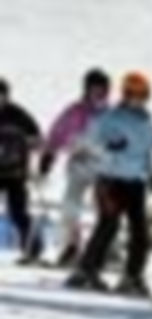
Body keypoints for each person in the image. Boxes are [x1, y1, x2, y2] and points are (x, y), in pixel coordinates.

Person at [66, 71, 152, 296]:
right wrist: (108, 149)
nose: (138, 99)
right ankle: (86, 271)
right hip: (110, 181)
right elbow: (87, 144)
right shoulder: (109, 118)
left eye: (142, 95)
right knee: (109, 224)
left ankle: (132, 276)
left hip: (135, 183)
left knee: (141, 231)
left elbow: (148, 152)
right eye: (134, 94)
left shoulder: (148, 123)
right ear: (125, 94)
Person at [39, 68, 111, 267]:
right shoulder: (75, 112)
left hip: (104, 168)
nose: (98, 94)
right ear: (86, 89)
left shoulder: (111, 115)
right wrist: (48, 156)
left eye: (102, 90)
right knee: (70, 205)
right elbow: (57, 133)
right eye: (94, 89)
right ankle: (72, 246)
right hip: (79, 165)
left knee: (106, 209)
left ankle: (108, 249)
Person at [0, 78, 42, 262]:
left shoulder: (18, 115)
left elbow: (37, 138)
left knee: (18, 212)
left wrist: (29, 146)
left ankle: (32, 248)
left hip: (15, 173)